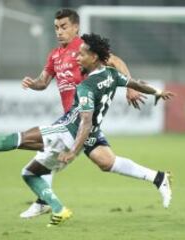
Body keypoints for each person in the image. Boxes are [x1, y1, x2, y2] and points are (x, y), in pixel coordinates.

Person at [0, 33, 175, 227]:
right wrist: (157, 92)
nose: (77, 56)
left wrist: (73, 151)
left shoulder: (86, 86)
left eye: (82, 53)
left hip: (66, 131)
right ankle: (57, 209)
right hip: (83, 133)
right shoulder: (112, 75)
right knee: (38, 172)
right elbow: (135, 83)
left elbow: (84, 122)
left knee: (15, 140)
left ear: (94, 57)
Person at [19, 8, 151, 218]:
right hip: (73, 118)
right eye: (56, 28)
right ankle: (157, 178)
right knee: (105, 161)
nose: (59, 32)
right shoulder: (54, 55)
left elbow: (116, 62)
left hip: (83, 115)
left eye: (63, 27)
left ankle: (43, 201)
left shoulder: (85, 49)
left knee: (48, 151)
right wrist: (32, 83)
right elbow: (43, 82)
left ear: (75, 27)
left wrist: (130, 87)